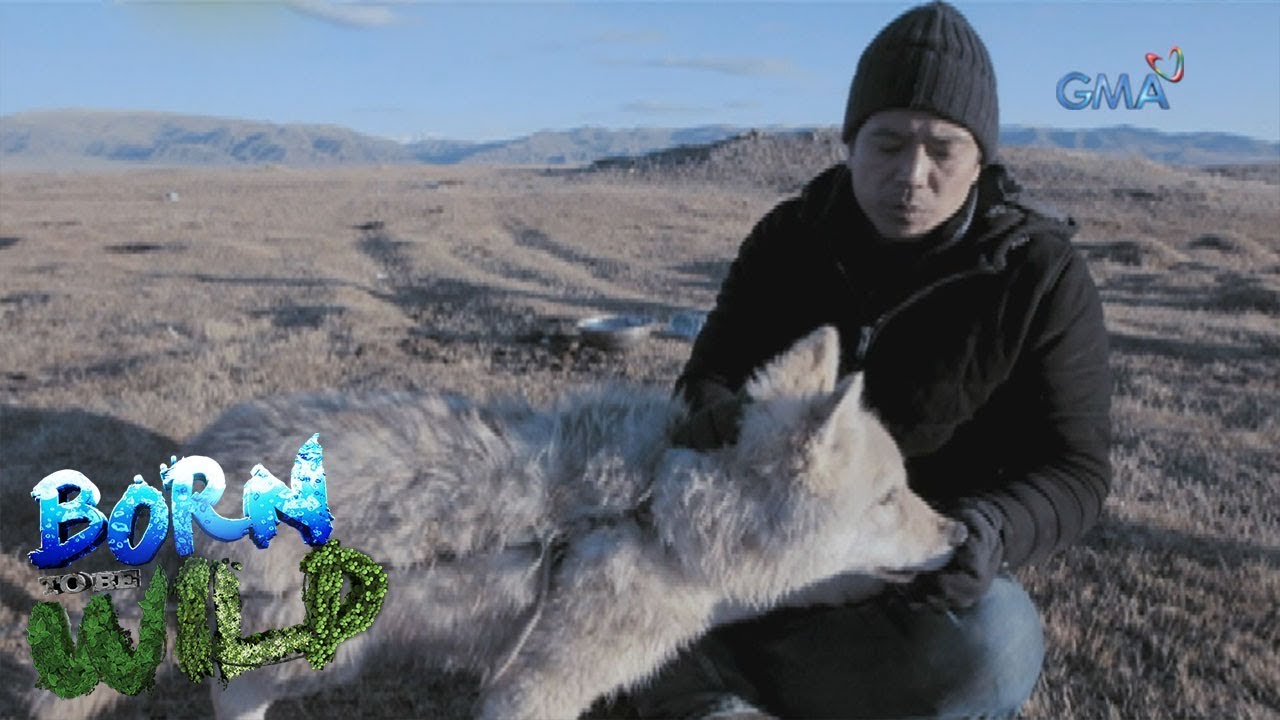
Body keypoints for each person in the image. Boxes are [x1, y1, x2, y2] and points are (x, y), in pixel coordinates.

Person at [625, 2, 1113, 718]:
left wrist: (990, 531)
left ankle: (691, 693)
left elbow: (1077, 471)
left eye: (943, 149)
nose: (912, 174)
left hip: (900, 576)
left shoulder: (1041, 278)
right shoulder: (788, 239)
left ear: (981, 160)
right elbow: (704, 384)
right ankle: (695, 688)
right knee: (611, 570)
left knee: (998, 643)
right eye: (887, 144)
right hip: (755, 558)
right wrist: (747, 427)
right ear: (849, 143)